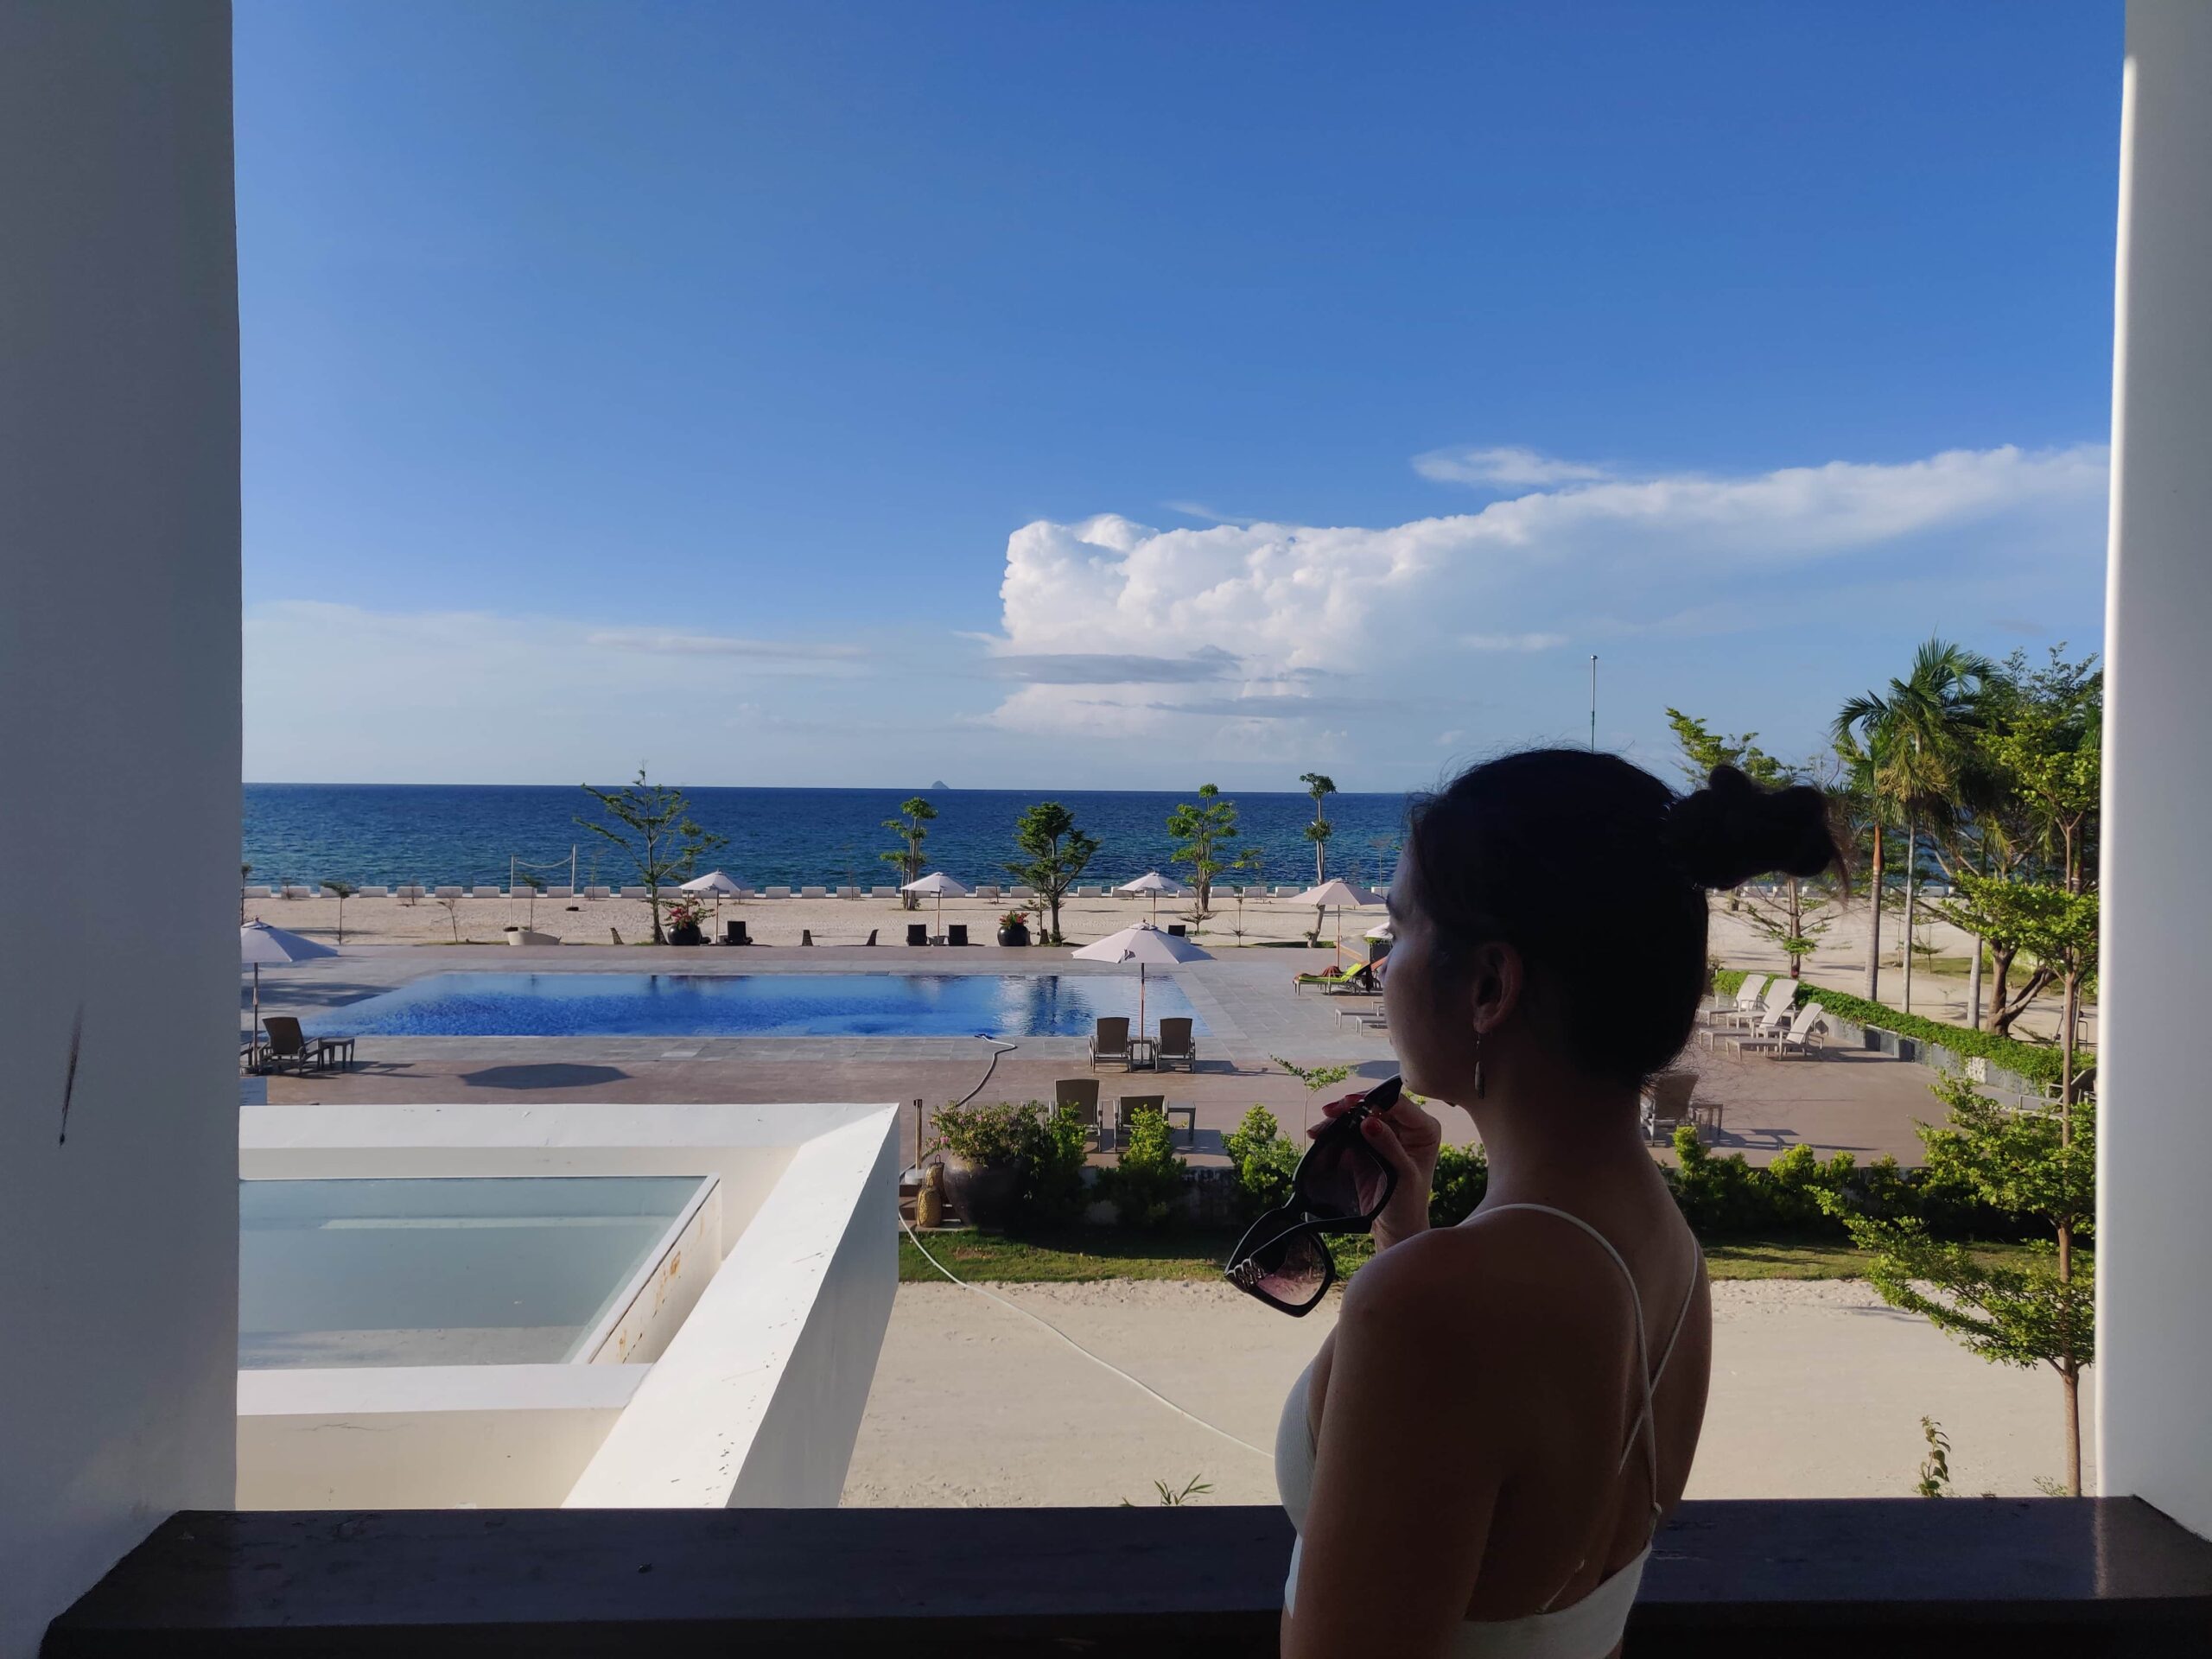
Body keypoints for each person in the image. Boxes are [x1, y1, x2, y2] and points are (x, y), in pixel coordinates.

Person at [1277, 751, 1844, 1659]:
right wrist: (1406, 1235)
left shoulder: (1438, 1306)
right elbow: (1549, 1586)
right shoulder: (1664, 1251)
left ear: (1489, 986)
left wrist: (1414, 1271)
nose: (1381, 967)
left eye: (1397, 928)